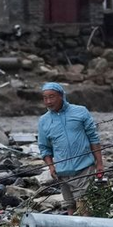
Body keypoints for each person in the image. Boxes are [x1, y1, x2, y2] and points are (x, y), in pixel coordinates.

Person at [37, 82, 103, 215]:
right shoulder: (44, 121)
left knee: (84, 204)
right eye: (45, 98)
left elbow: (93, 138)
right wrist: (51, 167)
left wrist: (99, 163)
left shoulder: (80, 112)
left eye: (52, 97)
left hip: (84, 167)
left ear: (61, 96)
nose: (48, 101)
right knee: (70, 206)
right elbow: (44, 148)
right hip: (62, 171)